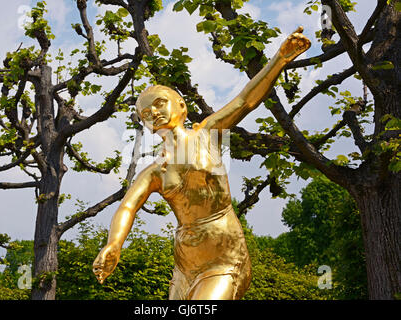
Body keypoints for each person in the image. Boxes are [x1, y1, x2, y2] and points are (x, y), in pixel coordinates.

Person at [93, 26, 311, 300]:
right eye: (146, 113)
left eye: (160, 104)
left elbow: (246, 100)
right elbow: (128, 206)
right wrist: (114, 243)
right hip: (185, 265)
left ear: (181, 105)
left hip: (225, 257)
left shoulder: (207, 133)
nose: (154, 113)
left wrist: (279, 59)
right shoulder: (154, 171)